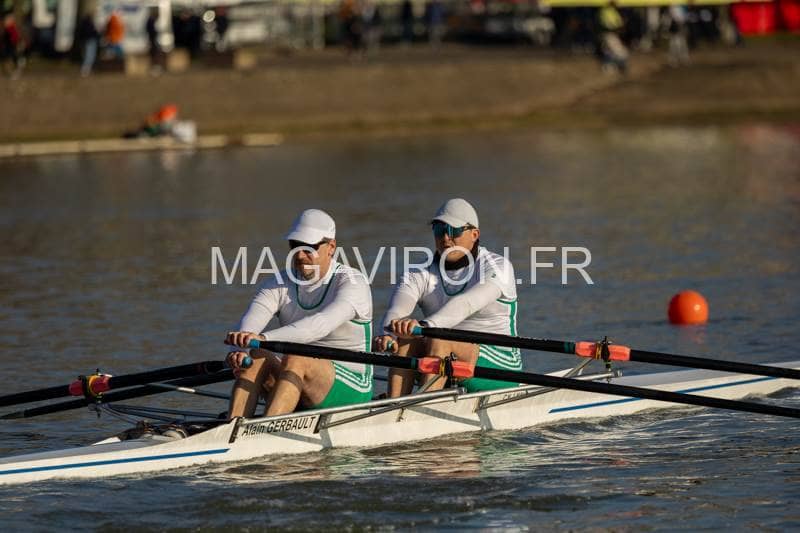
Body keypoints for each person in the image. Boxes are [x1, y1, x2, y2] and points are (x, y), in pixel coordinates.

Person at [225, 209, 374, 418]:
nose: (300, 255)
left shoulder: (353, 282)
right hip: (296, 375)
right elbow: (250, 323)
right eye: (295, 246)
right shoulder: (278, 283)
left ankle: (267, 429)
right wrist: (239, 349)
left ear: (331, 247)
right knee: (255, 355)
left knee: (296, 357)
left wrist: (262, 339)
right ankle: (234, 426)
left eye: (309, 247)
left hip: (352, 385)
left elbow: (318, 326)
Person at [374, 198, 521, 397]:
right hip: (446, 360)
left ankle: (420, 407)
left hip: (500, 365)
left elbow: (467, 303)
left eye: (453, 230)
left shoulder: (498, 267)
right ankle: (395, 405)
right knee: (405, 339)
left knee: (439, 338)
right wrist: (388, 334)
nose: (445, 238)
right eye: (439, 229)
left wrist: (425, 327)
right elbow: (397, 309)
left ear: (474, 234)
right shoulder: (419, 272)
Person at [598, 1, 628, 74]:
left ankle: (609, 66)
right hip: (609, 34)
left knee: (608, 51)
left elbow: (619, 23)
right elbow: (611, 25)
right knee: (622, 52)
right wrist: (619, 27)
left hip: (610, 34)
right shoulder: (606, 11)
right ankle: (619, 67)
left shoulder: (611, 11)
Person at [77, 11, 100, 77]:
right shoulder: (89, 24)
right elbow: (92, 33)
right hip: (90, 41)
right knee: (89, 56)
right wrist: (97, 33)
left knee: (87, 56)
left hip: (85, 41)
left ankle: (86, 70)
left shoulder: (83, 23)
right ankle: (85, 71)